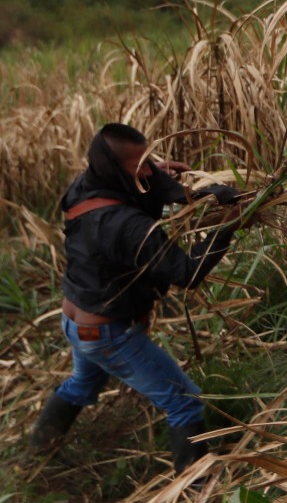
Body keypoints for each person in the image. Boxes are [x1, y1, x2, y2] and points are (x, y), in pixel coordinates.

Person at [28, 122, 250, 476]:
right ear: (116, 170)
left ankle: (36, 456)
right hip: (108, 336)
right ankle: (196, 488)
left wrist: (155, 172)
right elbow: (187, 273)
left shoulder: (86, 186)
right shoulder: (125, 225)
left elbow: (133, 186)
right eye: (139, 166)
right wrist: (226, 227)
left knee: (82, 384)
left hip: (75, 322)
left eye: (149, 160)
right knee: (184, 402)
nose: (149, 171)